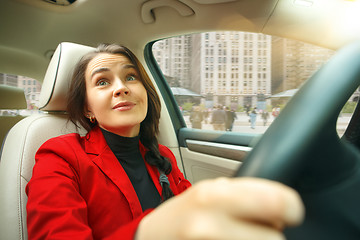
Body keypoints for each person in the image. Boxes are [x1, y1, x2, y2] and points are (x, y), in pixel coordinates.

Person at [26, 44, 304, 240]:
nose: (122, 87)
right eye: (102, 82)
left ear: (144, 92)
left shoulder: (161, 156)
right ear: (88, 108)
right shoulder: (60, 156)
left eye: (131, 77)